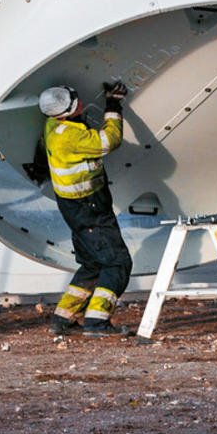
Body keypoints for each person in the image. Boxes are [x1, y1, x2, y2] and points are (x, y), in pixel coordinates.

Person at [38, 81, 133, 337]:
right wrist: (113, 103)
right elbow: (110, 140)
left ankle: (63, 318)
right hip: (89, 206)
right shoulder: (70, 135)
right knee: (118, 263)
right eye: (75, 102)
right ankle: (97, 322)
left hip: (74, 207)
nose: (81, 102)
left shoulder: (52, 124)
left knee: (92, 263)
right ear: (66, 114)